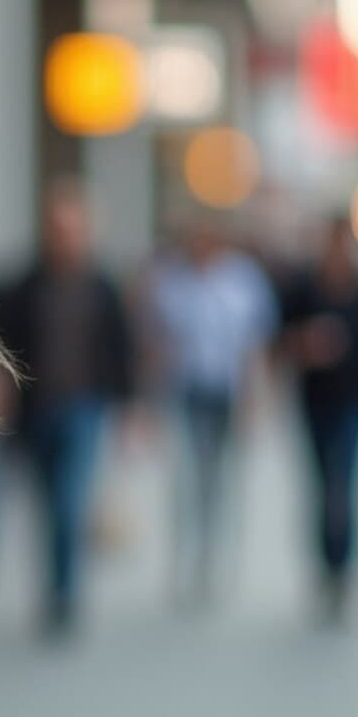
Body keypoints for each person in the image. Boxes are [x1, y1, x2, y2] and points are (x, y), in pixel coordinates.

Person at [0, 181, 134, 633]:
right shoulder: (26, 285)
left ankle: (66, 594)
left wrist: (130, 407)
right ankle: (53, 584)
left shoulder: (103, 287)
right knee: (47, 502)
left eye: (73, 229)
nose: (65, 237)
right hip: (37, 410)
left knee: (71, 500)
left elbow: (121, 348)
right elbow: (2, 347)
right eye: (58, 228)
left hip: (85, 408)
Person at [144, 215, 276, 604]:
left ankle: (215, 563)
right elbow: (157, 343)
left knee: (220, 482)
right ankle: (186, 563)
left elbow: (254, 344)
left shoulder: (243, 281)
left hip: (226, 395)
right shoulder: (172, 283)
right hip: (186, 394)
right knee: (186, 481)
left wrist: (255, 399)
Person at [278, 214, 358, 618]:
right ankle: (325, 564)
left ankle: (344, 567)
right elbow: (279, 341)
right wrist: (307, 344)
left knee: (345, 483)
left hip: (353, 401)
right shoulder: (305, 288)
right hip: (314, 402)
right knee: (322, 485)